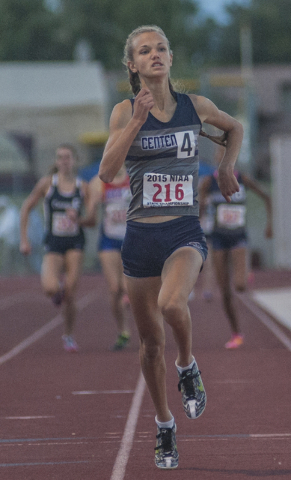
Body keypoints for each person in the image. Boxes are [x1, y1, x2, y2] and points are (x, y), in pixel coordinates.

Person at [98, 25, 243, 469]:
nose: (155, 55)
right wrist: (138, 122)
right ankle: (164, 425)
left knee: (172, 303)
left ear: (171, 58)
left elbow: (234, 127)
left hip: (183, 231)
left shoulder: (194, 107)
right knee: (148, 344)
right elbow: (106, 171)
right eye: (145, 50)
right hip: (140, 237)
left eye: (161, 48)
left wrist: (225, 167)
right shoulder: (124, 112)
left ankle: (188, 367)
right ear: (133, 65)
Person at [199, 145, 272, 349]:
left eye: (225, 154)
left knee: (239, 285)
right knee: (226, 292)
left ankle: (243, 271)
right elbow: (199, 211)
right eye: (218, 154)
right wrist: (201, 211)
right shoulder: (208, 182)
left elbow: (267, 197)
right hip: (219, 239)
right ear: (215, 159)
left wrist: (269, 225)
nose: (220, 157)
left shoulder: (243, 179)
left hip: (239, 236)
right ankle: (236, 332)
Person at [20, 143, 91, 353]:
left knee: (71, 294)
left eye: (68, 157)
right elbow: (26, 207)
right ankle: (58, 289)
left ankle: (68, 335)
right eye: (60, 157)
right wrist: (24, 239)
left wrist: (79, 218)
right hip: (53, 242)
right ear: (56, 161)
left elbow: (92, 219)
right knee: (50, 288)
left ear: (74, 160)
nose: (64, 161)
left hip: (75, 243)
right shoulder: (47, 184)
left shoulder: (82, 187)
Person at [85, 165, 132, 350]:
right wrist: (93, 205)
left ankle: (148, 329)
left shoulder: (135, 177)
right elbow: (91, 219)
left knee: (129, 288)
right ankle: (123, 331)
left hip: (131, 239)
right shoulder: (99, 182)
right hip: (109, 240)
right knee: (114, 289)